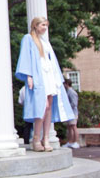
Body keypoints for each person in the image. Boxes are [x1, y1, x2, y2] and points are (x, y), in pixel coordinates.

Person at [15, 17, 74, 152]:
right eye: (42, 25)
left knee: (49, 106)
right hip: (38, 75)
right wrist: (28, 76)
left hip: (49, 75)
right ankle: (36, 137)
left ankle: (45, 138)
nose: (44, 28)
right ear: (35, 25)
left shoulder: (44, 41)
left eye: (46, 25)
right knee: (42, 106)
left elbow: (51, 59)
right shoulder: (28, 38)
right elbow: (25, 57)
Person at [63, 79, 80, 149]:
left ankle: (75, 141)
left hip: (73, 112)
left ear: (67, 84)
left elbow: (74, 103)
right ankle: (70, 141)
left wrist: (67, 107)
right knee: (70, 127)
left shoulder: (71, 92)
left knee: (73, 126)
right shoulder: (68, 92)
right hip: (70, 113)